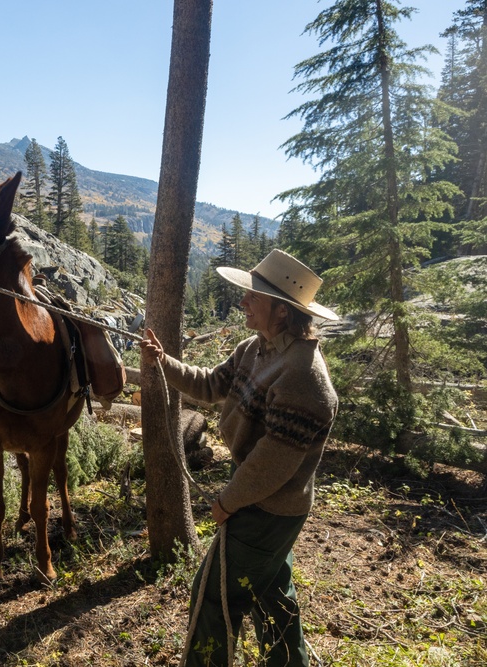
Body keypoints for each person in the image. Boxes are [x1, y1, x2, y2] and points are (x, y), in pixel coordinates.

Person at [140, 249, 339, 667]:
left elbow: (272, 463)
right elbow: (212, 384)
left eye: (254, 297)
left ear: (282, 313)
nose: (244, 302)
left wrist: (228, 502)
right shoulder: (257, 347)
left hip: (268, 506)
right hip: (262, 494)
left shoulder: (304, 375)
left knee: (214, 597)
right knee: (271, 591)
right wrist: (163, 362)